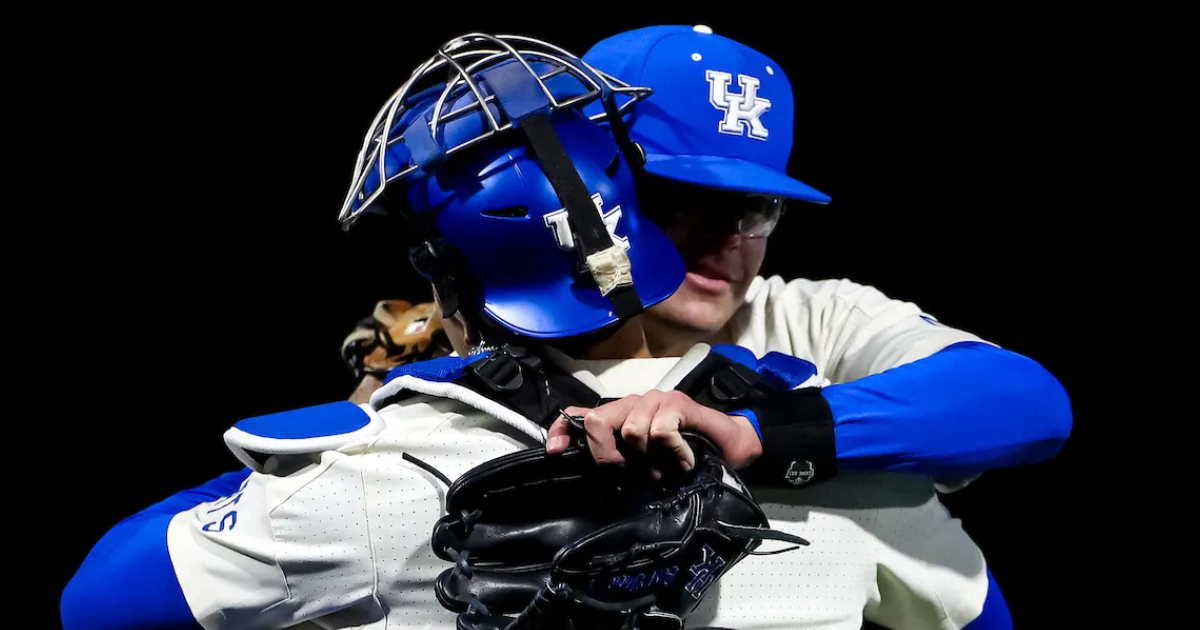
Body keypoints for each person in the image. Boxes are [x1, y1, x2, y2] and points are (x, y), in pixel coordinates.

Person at [61, 33, 1040, 630]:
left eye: (759, 210)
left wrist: (764, 439)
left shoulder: (816, 323)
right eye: (687, 197)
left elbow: (1030, 401)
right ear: (601, 175)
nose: (734, 238)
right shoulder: (869, 481)